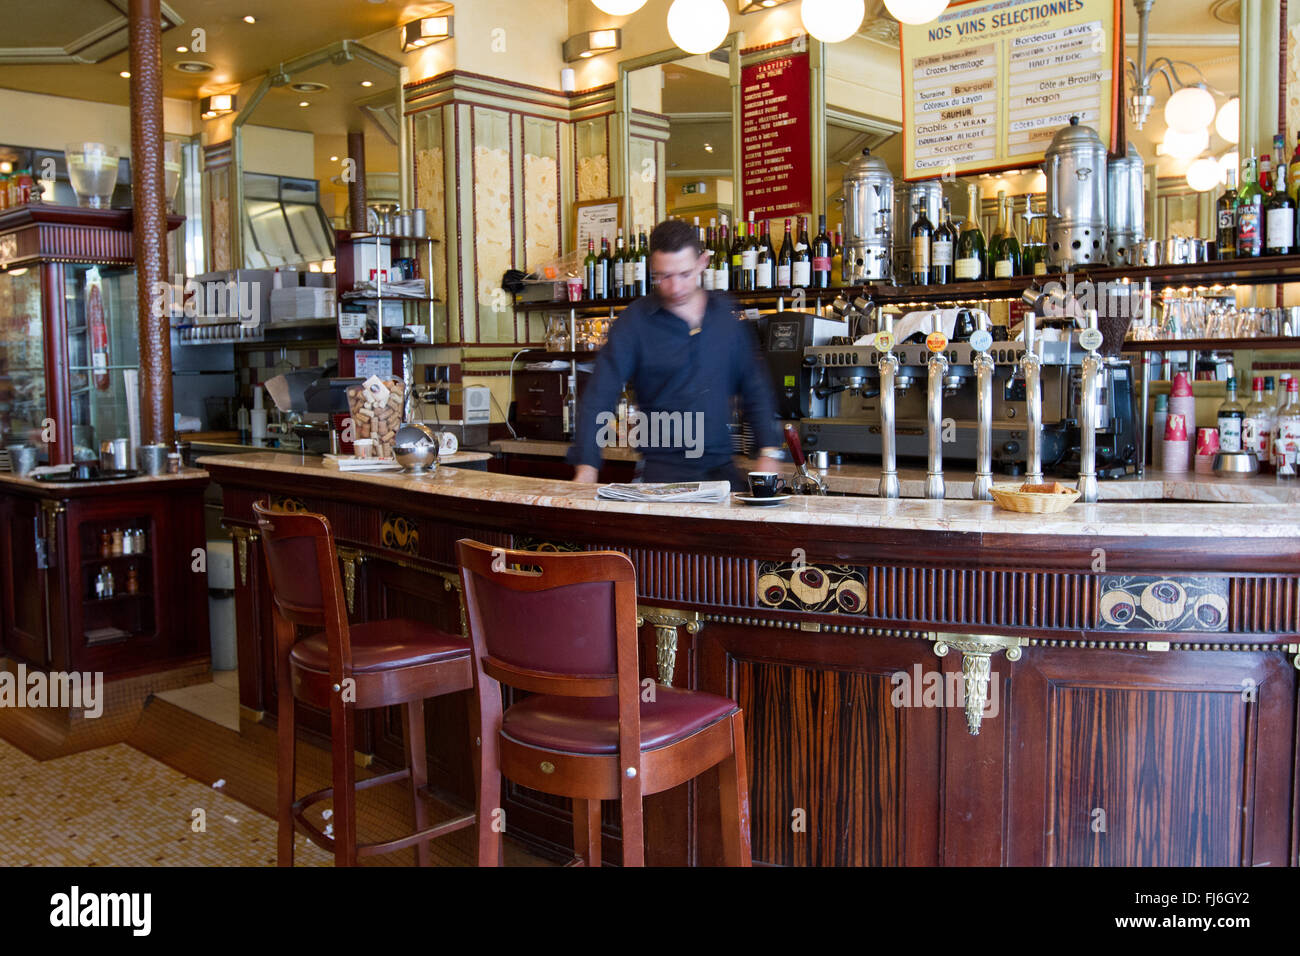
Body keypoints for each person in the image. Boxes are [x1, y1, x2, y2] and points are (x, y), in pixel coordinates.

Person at [568, 218, 783, 488]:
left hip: (722, 472)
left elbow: (755, 386)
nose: (675, 287)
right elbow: (599, 395)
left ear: (702, 263)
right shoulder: (634, 323)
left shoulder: (725, 317)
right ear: (652, 269)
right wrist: (587, 467)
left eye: (684, 274)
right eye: (663, 276)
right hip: (661, 474)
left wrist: (769, 451)